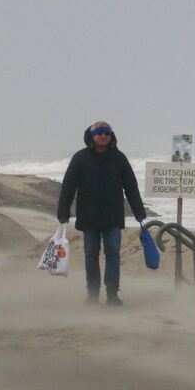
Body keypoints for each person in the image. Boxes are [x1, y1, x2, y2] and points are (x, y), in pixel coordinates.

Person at [56, 121, 147, 306]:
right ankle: (92, 293)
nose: (103, 136)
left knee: (113, 254)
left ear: (110, 135)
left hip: (112, 216)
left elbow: (131, 186)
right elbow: (68, 187)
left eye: (106, 132)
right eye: (99, 133)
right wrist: (63, 211)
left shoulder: (119, 158)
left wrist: (139, 211)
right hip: (88, 216)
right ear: (92, 135)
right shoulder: (80, 158)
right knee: (91, 255)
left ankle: (112, 293)